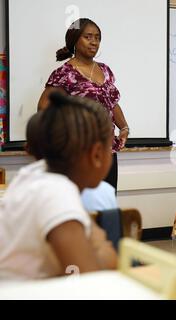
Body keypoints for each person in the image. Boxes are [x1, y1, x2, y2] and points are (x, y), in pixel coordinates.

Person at [0, 93, 117, 280]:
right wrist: (103, 248)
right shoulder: (56, 193)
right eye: (110, 147)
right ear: (96, 154)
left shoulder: (33, 175)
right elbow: (89, 281)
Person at [37, 18, 129, 191]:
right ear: (74, 39)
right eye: (88, 37)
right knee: (82, 206)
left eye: (97, 37)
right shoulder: (64, 73)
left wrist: (124, 128)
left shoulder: (105, 70)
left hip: (107, 152)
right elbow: (43, 109)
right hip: (79, 154)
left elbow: (112, 103)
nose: (94, 42)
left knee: (106, 206)